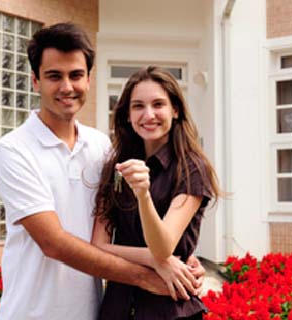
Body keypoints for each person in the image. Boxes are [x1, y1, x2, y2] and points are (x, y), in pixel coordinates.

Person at [0, 23, 203, 320]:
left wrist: (178, 256)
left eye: (76, 75)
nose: (67, 87)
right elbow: (53, 243)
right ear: (36, 81)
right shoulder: (14, 150)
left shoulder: (101, 146)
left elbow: (125, 224)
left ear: (89, 79)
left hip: (93, 311)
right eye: (54, 76)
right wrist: (148, 272)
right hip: (32, 312)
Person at [92, 66, 222, 319]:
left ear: (175, 110)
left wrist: (143, 194)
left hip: (170, 308)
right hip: (117, 308)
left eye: (158, 104)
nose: (148, 114)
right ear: (127, 116)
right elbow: (98, 246)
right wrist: (153, 260)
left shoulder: (192, 168)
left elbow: (163, 247)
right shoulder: (116, 167)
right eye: (138, 106)